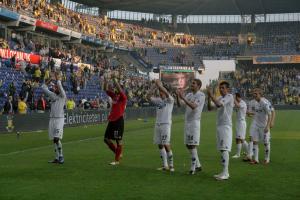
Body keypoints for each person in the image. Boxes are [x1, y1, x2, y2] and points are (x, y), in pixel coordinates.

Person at [176, 79, 205, 175]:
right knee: (188, 144)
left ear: (199, 86)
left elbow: (193, 106)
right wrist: (178, 96)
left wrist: (183, 98)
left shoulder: (201, 95)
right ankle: (198, 165)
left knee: (192, 145)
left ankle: (193, 168)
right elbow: (180, 104)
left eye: (193, 83)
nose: (191, 85)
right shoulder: (189, 95)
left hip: (194, 123)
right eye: (191, 83)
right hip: (187, 122)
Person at [207, 81, 234, 180]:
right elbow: (210, 108)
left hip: (226, 126)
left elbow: (218, 105)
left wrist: (211, 94)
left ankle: (226, 173)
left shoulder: (229, 97)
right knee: (222, 149)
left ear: (228, 89)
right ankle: (223, 171)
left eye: (223, 88)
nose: (221, 89)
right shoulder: (219, 98)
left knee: (225, 149)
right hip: (219, 125)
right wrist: (209, 97)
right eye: (220, 88)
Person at [148, 79, 175, 172]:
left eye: (161, 92)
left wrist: (159, 85)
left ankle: (171, 165)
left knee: (166, 144)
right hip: (158, 124)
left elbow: (167, 93)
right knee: (159, 144)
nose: (160, 93)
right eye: (159, 92)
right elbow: (148, 97)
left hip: (166, 124)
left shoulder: (170, 99)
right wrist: (153, 86)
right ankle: (165, 165)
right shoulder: (158, 100)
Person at [243, 88, 275, 165]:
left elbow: (270, 114)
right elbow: (253, 113)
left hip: (264, 125)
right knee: (255, 141)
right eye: (253, 93)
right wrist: (248, 113)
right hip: (255, 124)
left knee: (266, 143)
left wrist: (268, 125)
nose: (254, 95)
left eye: (256, 94)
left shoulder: (265, 102)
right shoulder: (252, 102)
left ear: (260, 94)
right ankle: (256, 159)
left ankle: (267, 158)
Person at [41, 72, 66, 164]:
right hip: (52, 119)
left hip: (59, 119)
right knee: (53, 140)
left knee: (56, 138)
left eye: (56, 88)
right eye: (55, 88)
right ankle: (56, 158)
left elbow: (59, 85)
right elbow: (43, 87)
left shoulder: (63, 96)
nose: (55, 88)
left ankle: (61, 156)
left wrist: (58, 78)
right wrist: (50, 80)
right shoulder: (52, 95)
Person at [103, 74, 127, 165]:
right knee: (106, 139)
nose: (117, 89)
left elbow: (119, 89)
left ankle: (116, 160)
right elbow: (105, 90)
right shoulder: (114, 96)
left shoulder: (123, 97)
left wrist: (114, 79)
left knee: (118, 140)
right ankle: (118, 152)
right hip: (112, 120)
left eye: (118, 88)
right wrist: (105, 80)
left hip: (118, 120)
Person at [232, 93, 248, 158]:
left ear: (238, 97)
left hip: (241, 123)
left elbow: (238, 106)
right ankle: (247, 152)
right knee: (239, 139)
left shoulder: (242, 103)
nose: (234, 99)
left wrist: (233, 99)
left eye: (235, 98)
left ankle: (240, 154)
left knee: (240, 139)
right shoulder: (237, 103)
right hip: (238, 122)